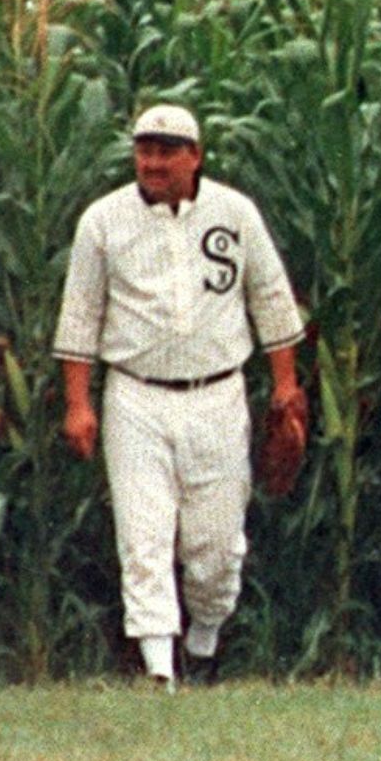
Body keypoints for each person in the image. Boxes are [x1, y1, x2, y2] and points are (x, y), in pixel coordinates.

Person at [52, 103, 305, 687]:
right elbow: (80, 315)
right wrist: (78, 403)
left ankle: (205, 639)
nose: (154, 161)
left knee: (215, 548)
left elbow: (270, 297)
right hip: (135, 397)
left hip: (218, 394)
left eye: (168, 151)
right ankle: (159, 671)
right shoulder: (103, 220)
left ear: (195, 156)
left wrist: (286, 386)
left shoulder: (233, 212)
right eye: (145, 149)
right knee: (144, 535)